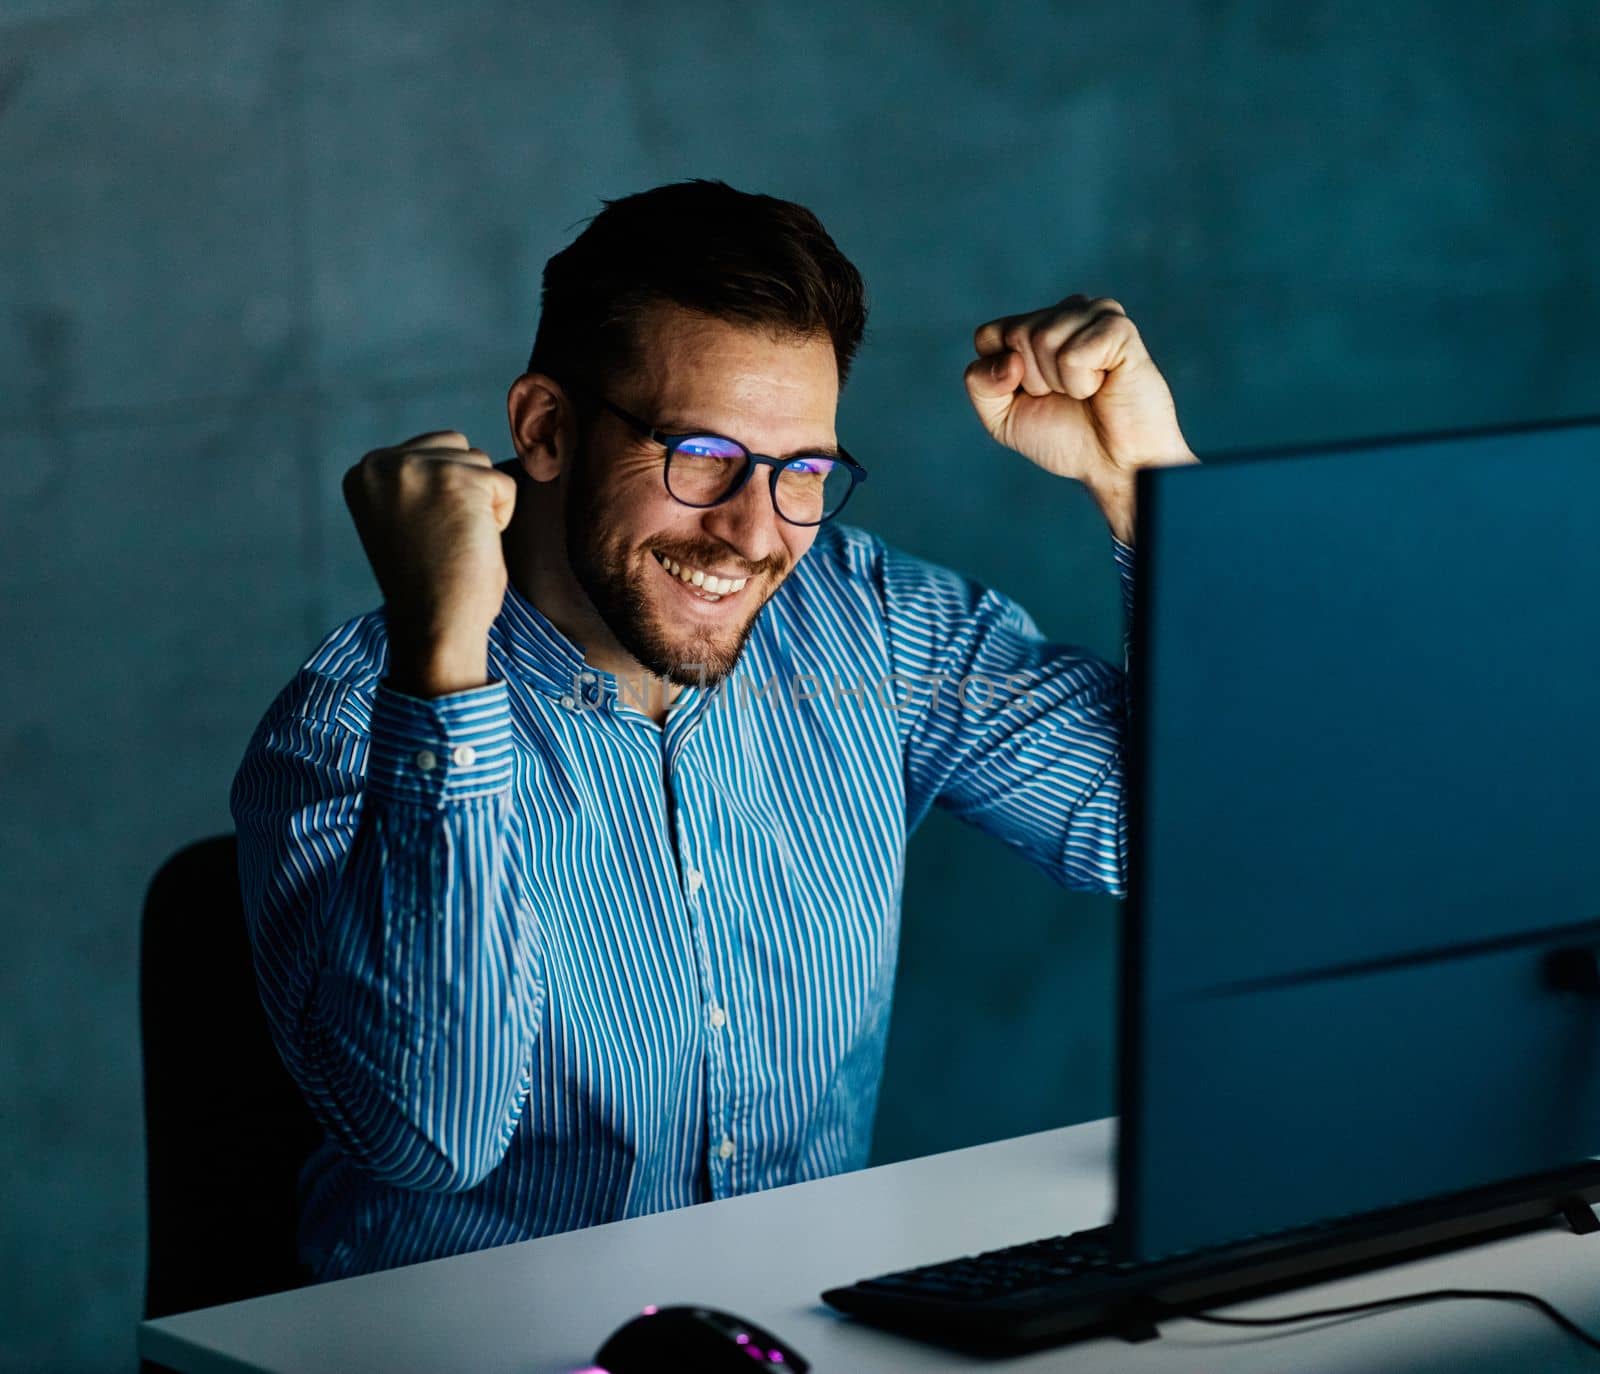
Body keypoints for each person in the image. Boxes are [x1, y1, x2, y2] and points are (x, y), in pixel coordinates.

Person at [230, 178, 1199, 1282]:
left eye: (804, 474)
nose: (753, 532)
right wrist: (447, 670)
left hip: (797, 1338)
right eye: (700, 457)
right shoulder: (355, 718)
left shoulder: (869, 626)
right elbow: (430, 1139)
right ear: (545, 428)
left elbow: (1201, 839)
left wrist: (1148, 489)